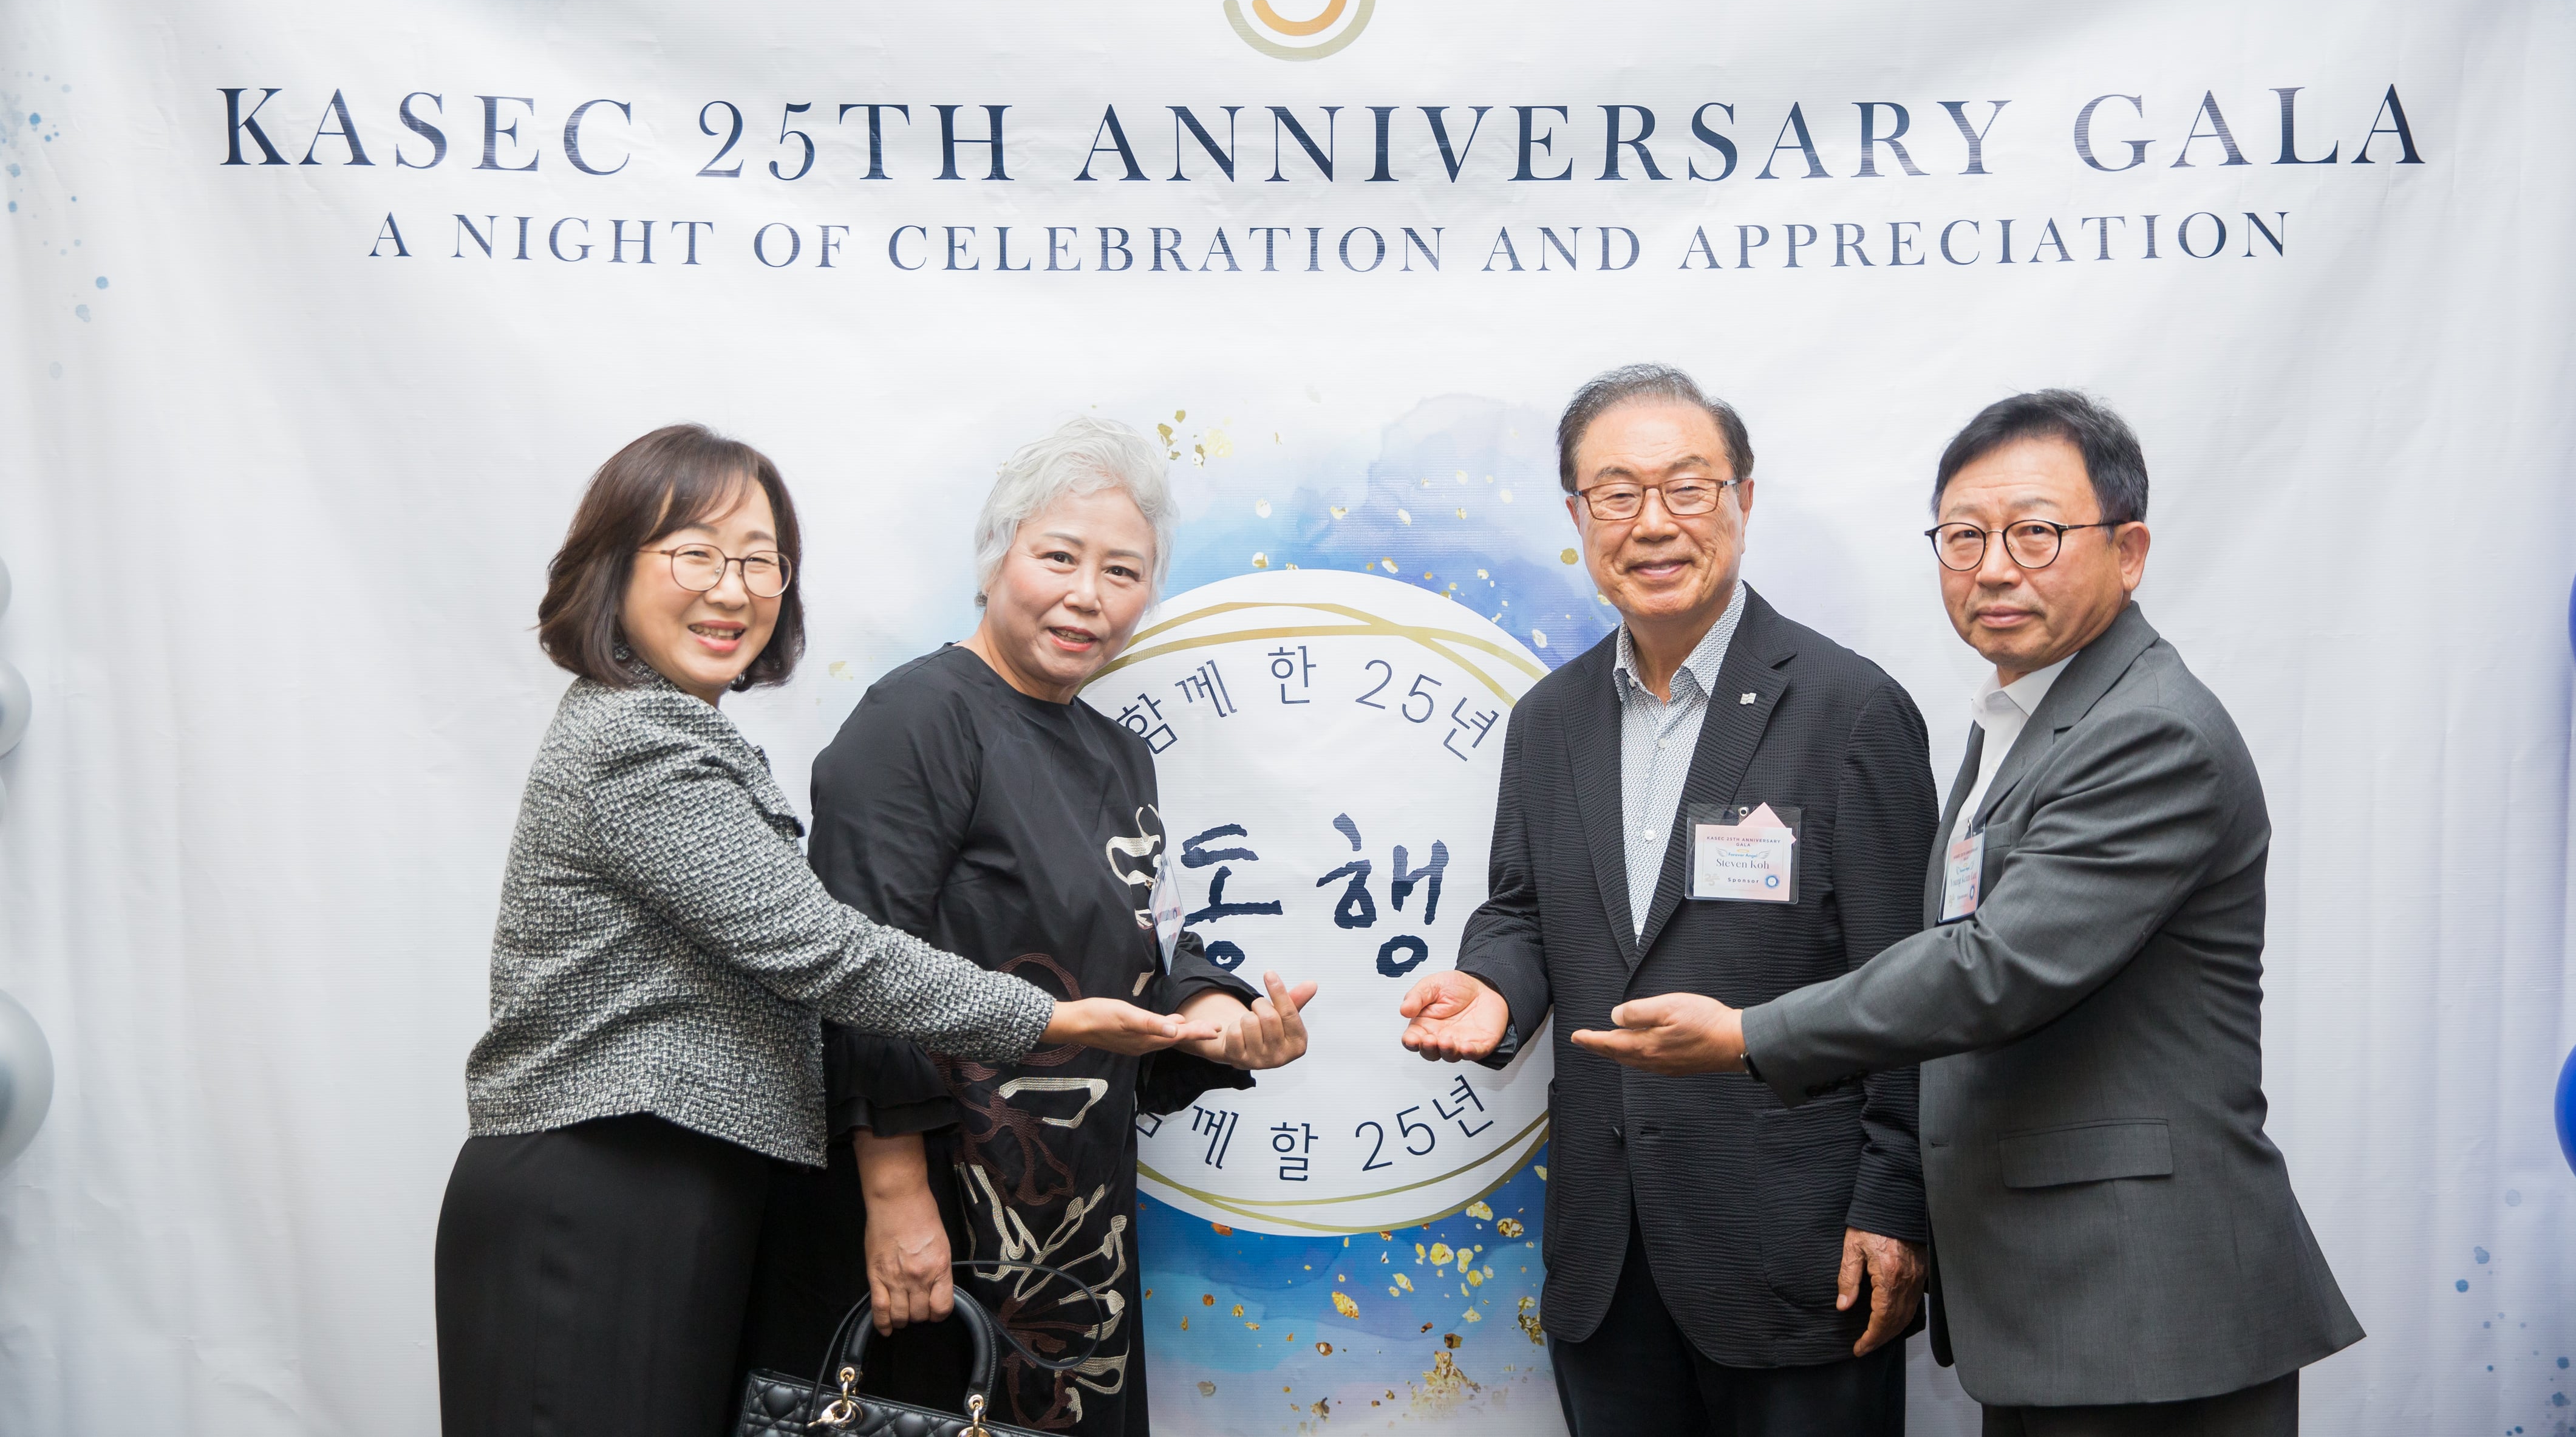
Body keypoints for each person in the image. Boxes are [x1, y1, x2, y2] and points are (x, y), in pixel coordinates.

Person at [1582, 391, 2363, 1436]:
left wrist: (1748, 1036)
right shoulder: (2027, 717)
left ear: (2128, 551)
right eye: (1963, 537)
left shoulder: (2148, 732)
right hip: (2050, 1301)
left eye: (2035, 534)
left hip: (2145, 1305)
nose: (1993, 569)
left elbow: (1992, 967)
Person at [434, 425, 1218, 1437]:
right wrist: (1052, 1022)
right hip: (605, 1183)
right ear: (612, 567)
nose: (731, 589)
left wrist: (1208, 1006)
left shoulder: (688, 731)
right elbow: (835, 954)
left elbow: (1140, 935)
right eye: (695, 554)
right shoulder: (644, 740)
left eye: (758, 562)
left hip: (686, 1182)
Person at [1396, 365, 1938, 1437]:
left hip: (1799, 1250)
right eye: (1617, 493)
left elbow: (1912, 981)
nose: (1653, 523)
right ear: (1576, 517)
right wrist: (1494, 989)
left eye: (1687, 487)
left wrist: (1895, 1204)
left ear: (1743, 499)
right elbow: (1521, 909)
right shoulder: (1548, 720)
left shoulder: (1849, 709)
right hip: (1606, 1255)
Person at [765, 415, 1315, 1437]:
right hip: (941, 1195)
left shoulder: (1118, 754)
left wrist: (1214, 1015)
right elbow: (855, 973)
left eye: (1123, 571)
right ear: (993, 560)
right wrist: (896, 1198)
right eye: (1058, 557)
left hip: (1074, 1212)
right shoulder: (916, 718)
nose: (1087, 595)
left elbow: (1148, 939)